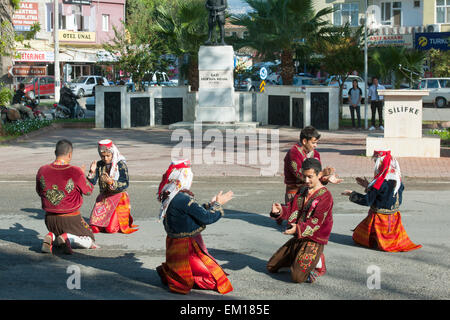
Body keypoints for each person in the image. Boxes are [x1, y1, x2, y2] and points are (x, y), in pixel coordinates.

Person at [156, 159, 234, 295]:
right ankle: (182, 281)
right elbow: (207, 217)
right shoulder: (183, 198)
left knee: (179, 268)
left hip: (174, 241)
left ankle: (174, 276)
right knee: (213, 278)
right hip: (187, 245)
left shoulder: (169, 194)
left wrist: (210, 205)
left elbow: (190, 212)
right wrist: (218, 205)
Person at [267, 158, 333, 284]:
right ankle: (299, 258)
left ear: (319, 175)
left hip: (314, 239)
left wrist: (297, 228)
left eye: (310, 177)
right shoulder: (303, 190)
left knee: (297, 278)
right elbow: (292, 209)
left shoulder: (326, 196)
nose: (306, 180)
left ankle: (318, 262)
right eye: (304, 176)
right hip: (299, 236)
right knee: (271, 267)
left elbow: (316, 222)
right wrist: (280, 210)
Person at [342, 150, 422, 252]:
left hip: (379, 218)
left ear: (380, 164)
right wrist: (368, 186)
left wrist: (352, 194)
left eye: (375, 162)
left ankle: (377, 240)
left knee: (358, 237)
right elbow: (386, 195)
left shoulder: (380, 183)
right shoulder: (397, 180)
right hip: (394, 217)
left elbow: (368, 201)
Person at [36, 139, 99, 254]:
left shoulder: (42, 170)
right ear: (70, 154)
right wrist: (90, 174)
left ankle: (52, 236)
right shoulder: (75, 171)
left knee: (57, 238)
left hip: (50, 219)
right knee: (90, 240)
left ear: (55, 152)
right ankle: (67, 238)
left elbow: (39, 191)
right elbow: (88, 191)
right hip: (70, 218)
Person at [87, 139, 138, 234]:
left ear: (113, 153)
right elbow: (92, 183)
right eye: (103, 156)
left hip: (118, 198)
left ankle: (121, 220)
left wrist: (111, 182)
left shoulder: (120, 164)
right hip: (104, 198)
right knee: (95, 228)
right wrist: (92, 172)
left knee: (111, 229)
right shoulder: (99, 164)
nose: (105, 158)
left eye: (108, 156)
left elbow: (125, 183)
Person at [283, 126, 341, 204]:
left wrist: (326, 178)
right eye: (313, 143)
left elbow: (316, 176)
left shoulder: (315, 154)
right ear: (304, 141)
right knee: (295, 215)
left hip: (311, 193)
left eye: (316, 143)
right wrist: (323, 173)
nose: (315, 145)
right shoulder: (294, 153)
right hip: (295, 193)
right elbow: (302, 176)